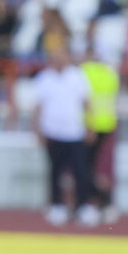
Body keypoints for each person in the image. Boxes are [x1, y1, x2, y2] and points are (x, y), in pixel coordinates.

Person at [32, 46, 95, 227]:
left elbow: (86, 103)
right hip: (53, 132)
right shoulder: (44, 78)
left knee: (81, 171)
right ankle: (57, 206)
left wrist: (90, 126)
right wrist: (37, 130)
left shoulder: (77, 77)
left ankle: (83, 206)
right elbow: (38, 107)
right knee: (55, 171)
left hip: (74, 132)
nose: (58, 60)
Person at [80, 47, 120, 224]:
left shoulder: (85, 72)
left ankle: (96, 203)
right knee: (101, 168)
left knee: (87, 168)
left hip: (90, 125)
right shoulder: (112, 74)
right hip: (108, 124)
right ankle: (106, 204)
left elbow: (83, 100)